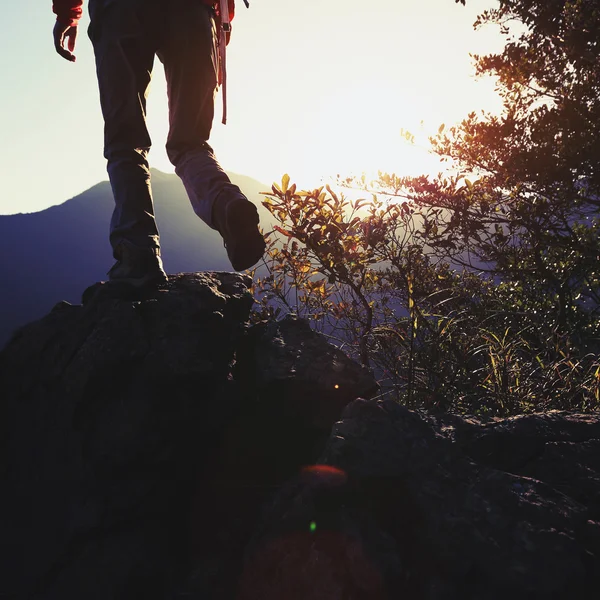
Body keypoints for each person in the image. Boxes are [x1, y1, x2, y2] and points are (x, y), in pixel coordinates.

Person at [52, 0, 266, 287]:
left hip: (121, 11)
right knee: (190, 142)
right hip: (194, 11)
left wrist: (68, 12)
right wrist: (220, 21)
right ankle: (226, 204)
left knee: (126, 139)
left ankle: (139, 254)